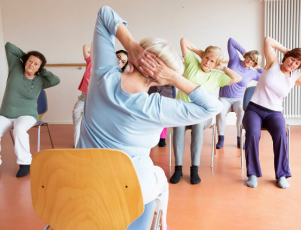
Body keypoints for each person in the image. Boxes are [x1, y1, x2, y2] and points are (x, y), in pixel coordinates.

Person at [77, 6, 224, 229]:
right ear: (160, 79)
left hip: (82, 189)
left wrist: (130, 46)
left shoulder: (102, 76)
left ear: (134, 58)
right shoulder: (155, 108)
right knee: (158, 179)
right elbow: (212, 107)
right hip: (127, 196)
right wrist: (175, 78)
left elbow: (104, 13)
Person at [243, 36, 301, 189]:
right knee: (253, 133)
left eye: (297, 63)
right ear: (287, 57)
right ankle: (252, 173)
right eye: (292, 59)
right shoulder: (273, 63)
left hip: (274, 113)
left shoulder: (296, 77)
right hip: (254, 109)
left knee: (281, 135)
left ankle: (282, 175)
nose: (293, 64)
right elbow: (268, 40)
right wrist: (288, 51)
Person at [170, 38, 242, 185]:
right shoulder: (192, 63)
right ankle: (178, 168)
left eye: (212, 61)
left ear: (216, 64)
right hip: (182, 110)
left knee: (197, 125)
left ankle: (194, 169)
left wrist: (223, 68)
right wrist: (202, 52)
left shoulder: (217, 76)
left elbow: (238, 78)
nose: (207, 62)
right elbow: (183, 41)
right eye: (206, 58)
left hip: (201, 113)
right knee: (178, 127)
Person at [0, 42, 60, 179]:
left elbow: (56, 80)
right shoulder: (15, 67)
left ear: (40, 68)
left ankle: (25, 164)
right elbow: (9, 46)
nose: (31, 65)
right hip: (6, 114)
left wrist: (41, 69)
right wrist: (27, 57)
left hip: (27, 114)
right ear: (25, 62)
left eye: (36, 64)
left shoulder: (41, 80)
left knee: (19, 129)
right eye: (30, 62)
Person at [72, 44, 128, 146]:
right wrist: (104, 53)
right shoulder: (95, 62)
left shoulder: (118, 76)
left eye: (123, 62)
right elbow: (85, 47)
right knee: (77, 115)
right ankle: (78, 145)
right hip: (84, 98)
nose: (119, 61)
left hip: (100, 102)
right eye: (118, 57)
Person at [216, 38, 263, 149]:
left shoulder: (252, 73)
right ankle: (221, 138)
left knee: (241, 114)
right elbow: (231, 41)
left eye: (253, 60)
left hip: (238, 99)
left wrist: (259, 68)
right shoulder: (234, 60)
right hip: (224, 97)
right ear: (245, 56)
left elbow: (266, 77)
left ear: (255, 63)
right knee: (220, 112)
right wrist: (244, 52)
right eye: (249, 57)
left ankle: (239, 139)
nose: (249, 61)